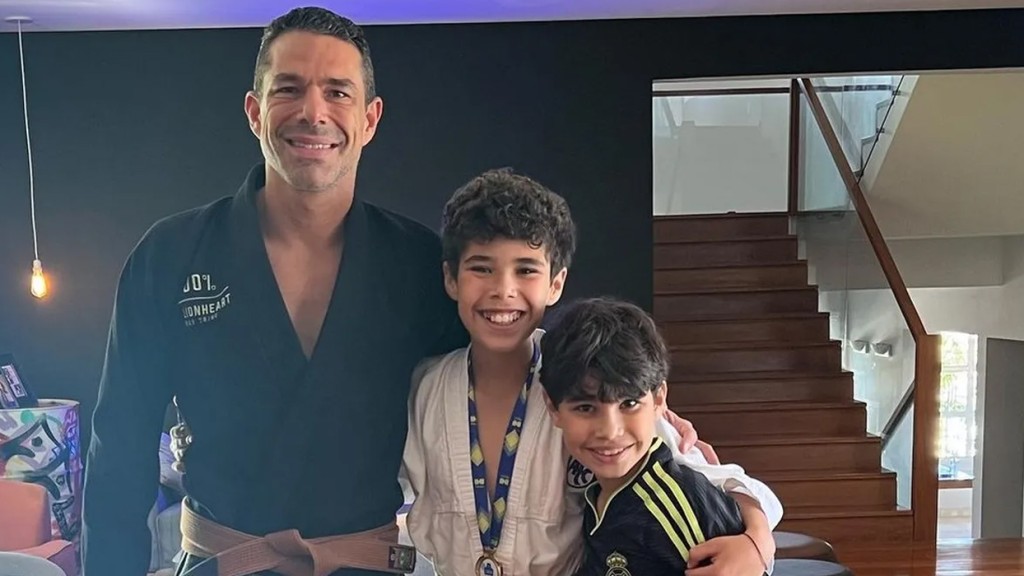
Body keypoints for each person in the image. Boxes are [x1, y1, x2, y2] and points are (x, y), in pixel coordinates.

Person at [81, 8, 704, 576]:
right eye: (289, 89)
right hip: (224, 562)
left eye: (338, 92)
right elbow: (119, 451)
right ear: (254, 110)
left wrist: (740, 515)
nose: (313, 112)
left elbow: (529, 369)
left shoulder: (414, 265)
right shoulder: (172, 256)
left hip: (366, 568)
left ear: (370, 118)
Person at [402, 170, 780, 576]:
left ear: (556, 283)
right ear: (451, 278)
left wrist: (757, 542)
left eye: (526, 270)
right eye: (482, 268)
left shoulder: (584, 378)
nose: (503, 290)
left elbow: (722, 482)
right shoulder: (424, 390)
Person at [541, 297, 769, 576]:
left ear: (659, 399)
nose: (610, 431)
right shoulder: (597, 494)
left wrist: (758, 539)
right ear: (553, 408)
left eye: (629, 404)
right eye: (586, 408)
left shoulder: (674, 506)